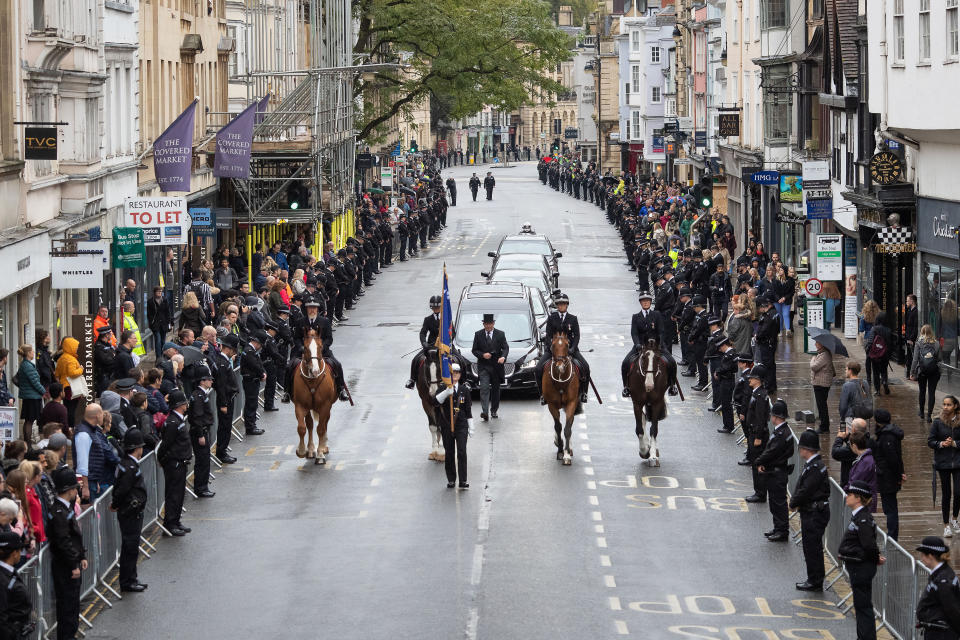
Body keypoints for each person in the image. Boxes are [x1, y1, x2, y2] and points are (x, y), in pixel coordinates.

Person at [837, 480, 885, 640]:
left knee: (863, 607)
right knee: (861, 605)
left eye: (850, 494)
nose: (846, 497)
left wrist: (875, 557)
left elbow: (868, 545)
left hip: (861, 568)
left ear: (858, 498)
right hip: (859, 566)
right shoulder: (859, 517)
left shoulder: (863, 519)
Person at [47, 466, 87, 640]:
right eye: (74, 488)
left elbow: (74, 537)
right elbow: (63, 541)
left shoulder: (64, 508)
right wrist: (73, 564)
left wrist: (82, 556)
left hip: (70, 563)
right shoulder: (58, 512)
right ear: (69, 490)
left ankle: (71, 634)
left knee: (72, 605)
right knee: (67, 607)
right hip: (65, 567)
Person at [790, 429, 831, 591]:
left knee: (812, 547)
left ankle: (815, 580)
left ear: (807, 449)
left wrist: (793, 502)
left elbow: (806, 489)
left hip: (814, 513)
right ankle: (814, 578)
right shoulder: (815, 465)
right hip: (814, 511)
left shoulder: (815, 467)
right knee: (811, 546)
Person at [535, 293, 591, 405]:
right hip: (554, 350)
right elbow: (549, 335)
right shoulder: (551, 318)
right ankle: (542, 394)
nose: (561, 306)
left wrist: (573, 348)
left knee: (586, 367)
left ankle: (584, 393)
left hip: (569, 350)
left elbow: (577, 336)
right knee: (538, 369)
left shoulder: (573, 319)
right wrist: (551, 348)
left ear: (567, 305)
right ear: (556, 305)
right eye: (559, 304)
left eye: (563, 304)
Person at [110, 428, 149, 593]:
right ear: (137, 448)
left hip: (132, 511)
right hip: (129, 512)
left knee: (132, 546)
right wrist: (116, 504)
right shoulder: (129, 467)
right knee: (130, 547)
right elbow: (122, 490)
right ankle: (127, 581)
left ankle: (132, 577)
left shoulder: (128, 463)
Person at [754, 399, 794, 541]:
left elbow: (771, 451)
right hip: (776, 470)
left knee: (778, 503)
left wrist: (759, 461)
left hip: (777, 472)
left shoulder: (781, 434)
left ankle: (782, 530)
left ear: (776, 417)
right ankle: (778, 527)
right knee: (775, 503)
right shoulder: (784, 431)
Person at [157, 390, 191, 536]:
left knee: (179, 493)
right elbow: (165, 445)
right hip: (174, 463)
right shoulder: (172, 422)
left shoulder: (178, 420)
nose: (186, 405)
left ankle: (176, 521)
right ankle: (170, 524)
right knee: (173, 495)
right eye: (184, 403)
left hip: (180, 462)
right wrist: (164, 460)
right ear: (180, 405)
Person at [434, 362, 473, 489]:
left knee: (462, 452)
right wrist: (446, 392)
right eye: (452, 373)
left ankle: (463, 480)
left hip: (461, 425)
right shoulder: (443, 388)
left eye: (457, 373)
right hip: (446, 425)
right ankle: (451, 479)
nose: (454, 375)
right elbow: (435, 402)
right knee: (449, 453)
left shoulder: (464, 390)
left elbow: (468, 409)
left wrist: (471, 426)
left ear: (460, 375)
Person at [915, 536, 960, 639]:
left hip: (941, 633)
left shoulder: (943, 580)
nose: (921, 558)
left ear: (930, 556)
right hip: (937, 630)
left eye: (923, 555)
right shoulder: (940, 573)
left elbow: (952, 610)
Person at [930, 396, 960, 539]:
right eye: (944, 404)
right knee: (946, 494)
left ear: (955, 406)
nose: (945, 407)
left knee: (958, 492)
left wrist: (954, 443)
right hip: (943, 462)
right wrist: (942, 444)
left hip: (958, 462)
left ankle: (955, 518)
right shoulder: (937, 422)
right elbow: (930, 441)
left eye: (949, 404)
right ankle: (946, 525)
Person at [873, 408, 905, 541]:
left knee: (890, 508)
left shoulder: (886, 436)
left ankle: (892, 536)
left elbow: (893, 458)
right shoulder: (887, 433)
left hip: (888, 477)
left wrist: (899, 475)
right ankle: (892, 534)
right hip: (889, 476)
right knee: (890, 507)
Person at [471, 313, 508, 421]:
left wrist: (503, 357)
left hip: (496, 367)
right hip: (484, 367)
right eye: (486, 324)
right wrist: (482, 355)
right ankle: (485, 412)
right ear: (483, 324)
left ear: (493, 323)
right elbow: (474, 350)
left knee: (496, 389)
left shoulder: (500, 334)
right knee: (484, 388)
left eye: (490, 324)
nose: (488, 326)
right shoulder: (478, 334)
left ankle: (494, 411)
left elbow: (505, 348)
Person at [743, 365, 770, 504]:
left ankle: (760, 493)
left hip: (757, 434)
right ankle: (758, 491)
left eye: (752, 378)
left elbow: (760, 418)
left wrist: (758, 437)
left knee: (757, 463)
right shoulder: (756, 392)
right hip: (753, 432)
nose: (750, 380)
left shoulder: (760, 395)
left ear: (758, 380)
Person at [187, 370, 216, 498]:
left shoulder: (200, 394)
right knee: (202, 461)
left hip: (202, 430)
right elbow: (197, 417)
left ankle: (202, 486)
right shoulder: (198, 396)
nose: (211, 381)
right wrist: (200, 435)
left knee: (204, 459)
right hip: (200, 431)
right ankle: (201, 488)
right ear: (202, 381)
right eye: (208, 379)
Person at [0, 529, 34, 636]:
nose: (21, 553)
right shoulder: (3, 579)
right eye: (20, 550)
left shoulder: (9, 571)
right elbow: (2, 617)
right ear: (14, 553)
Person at [213, 334, 240, 464]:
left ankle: (223, 450)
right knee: (224, 426)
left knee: (226, 426)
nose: (234, 353)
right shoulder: (222, 363)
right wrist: (223, 403)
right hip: (226, 400)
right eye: (233, 350)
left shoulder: (223, 361)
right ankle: (221, 452)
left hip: (229, 398)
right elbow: (221, 385)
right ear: (228, 349)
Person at [405, 296, 443, 389]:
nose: (436, 309)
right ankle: (412, 380)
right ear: (432, 308)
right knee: (415, 359)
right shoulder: (428, 319)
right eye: (434, 308)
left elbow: (452, 333)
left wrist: (447, 342)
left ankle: (464, 381)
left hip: (444, 345)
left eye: (438, 307)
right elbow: (423, 333)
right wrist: (424, 343)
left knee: (460, 358)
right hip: (431, 346)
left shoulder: (446, 318)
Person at [913, 323, 943, 423]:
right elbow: (939, 359)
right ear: (931, 332)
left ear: (922, 332)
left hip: (922, 371)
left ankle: (921, 413)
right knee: (931, 393)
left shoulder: (919, 343)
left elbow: (915, 359)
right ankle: (929, 415)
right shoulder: (937, 343)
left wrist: (912, 372)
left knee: (922, 391)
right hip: (934, 371)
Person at [15, 345, 45, 442]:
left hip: (30, 396)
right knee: (29, 421)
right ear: (28, 353)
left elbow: (17, 379)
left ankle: (28, 444)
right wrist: (43, 391)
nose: (33, 353)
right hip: (32, 397)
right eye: (32, 351)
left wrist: (24, 387)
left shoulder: (25, 364)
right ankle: (28, 444)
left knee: (29, 420)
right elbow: (35, 382)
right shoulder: (27, 365)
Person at [53, 338, 84, 431]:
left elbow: (56, 374)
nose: (76, 349)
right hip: (72, 387)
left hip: (64, 387)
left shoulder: (61, 358)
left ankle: (67, 427)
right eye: (75, 347)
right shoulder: (70, 359)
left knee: (67, 407)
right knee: (72, 409)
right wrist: (81, 369)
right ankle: (70, 428)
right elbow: (72, 373)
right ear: (70, 347)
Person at [240, 332, 267, 436]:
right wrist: (261, 374)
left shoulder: (251, 351)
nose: (260, 347)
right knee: (251, 404)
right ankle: (250, 427)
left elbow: (259, 363)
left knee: (253, 403)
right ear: (256, 342)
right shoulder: (249, 351)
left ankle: (252, 425)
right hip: (250, 380)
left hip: (253, 380)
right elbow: (254, 365)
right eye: (260, 345)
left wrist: (263, 372)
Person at [846, 433, 878, 511]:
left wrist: (845, 490)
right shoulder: (865, 459)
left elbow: (855, 480)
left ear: (854, 446)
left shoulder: (865, 461)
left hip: (864, 500)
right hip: (864, 498)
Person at [712, 336, 737, 434]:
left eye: (720, 347)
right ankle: (727, 424)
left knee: (726, 404)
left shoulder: (730, 355)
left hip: (727, 381)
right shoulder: (730, 354)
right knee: (725, 403)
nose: (719, 349)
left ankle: (728, 426)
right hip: (726, 380)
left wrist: (717, 372)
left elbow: (726, 367)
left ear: (724, 345)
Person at [809, 341, 835, 434]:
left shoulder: (824, 355)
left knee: (822, 406)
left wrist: (813, 358)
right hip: (820, 383)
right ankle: (824, 425)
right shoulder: (823, 354)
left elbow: (814, 367)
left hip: (821, 384)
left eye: (817, 343)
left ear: (822, 344)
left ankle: (824, 427)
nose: (815, 344)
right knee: (821, 405)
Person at [864, 311, 893, 396]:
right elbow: (890, 343)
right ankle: (884, 381)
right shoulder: (888, 330)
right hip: (885, 354)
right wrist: (888, 354)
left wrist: (867, 350)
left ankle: (877, 390)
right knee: (884, 370)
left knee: (875, 372)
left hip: (875, 354)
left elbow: (870, 341)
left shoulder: (874, 328)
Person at [838, 361, 868, 429]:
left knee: (849, 436)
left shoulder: (847, 386)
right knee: (861, 435)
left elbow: (843, 406)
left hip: (850, 417)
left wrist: (842, 419)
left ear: (850, 370)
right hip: (862, 417)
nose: (845, 371)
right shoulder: (865, 383)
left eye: (846, 369)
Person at [147, 286, 172, 356]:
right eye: (158, 291)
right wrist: (151, 322)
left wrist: (169, 323)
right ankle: (158, 357)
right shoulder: (150, 301)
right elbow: (149, 314)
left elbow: (168, 312)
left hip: (164, 324)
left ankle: (163, 355)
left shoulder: (164, 300)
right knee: (158, 340)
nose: (160, 293)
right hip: (155, 324)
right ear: (154, 292)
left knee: (163, 341)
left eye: (161, 292)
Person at [904, 294, 919, 378]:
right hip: (908, 337)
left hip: (911, 339)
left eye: (907, 300)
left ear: (912, 301)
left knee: (913, 357)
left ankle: (913, 374)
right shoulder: (909, 310)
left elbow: (915, 327)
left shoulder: (915, 311)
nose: (906, 302)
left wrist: (911, 339)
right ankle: (909, 374)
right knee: (909, 357)